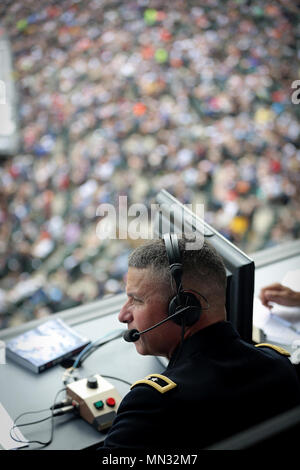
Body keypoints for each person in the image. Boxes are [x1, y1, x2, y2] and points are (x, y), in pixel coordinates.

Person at [102, 235, 300, 449]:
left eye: (136, 300)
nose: (123, 315)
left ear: (183, 309)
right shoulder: (280, 366)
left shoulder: (152, 405)